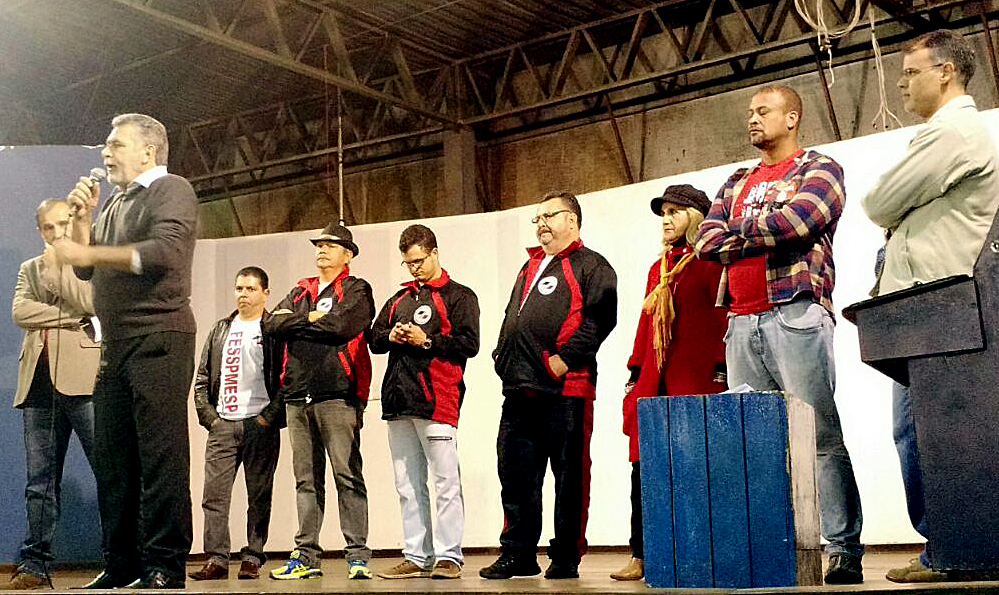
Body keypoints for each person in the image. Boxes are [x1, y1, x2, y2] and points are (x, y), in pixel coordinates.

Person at [694, 85, 864, 584]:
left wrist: (739, 233)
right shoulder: (736, 180)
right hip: (740, 321)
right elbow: (705, 240)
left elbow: (800, 221)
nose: (752, 119)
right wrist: (758, 231)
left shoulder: (820, 168)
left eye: (763, 111)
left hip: (796, 311)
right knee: (757, 444)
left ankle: (843, 548)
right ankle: (773, 550)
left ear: (791, 117)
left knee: (820, 437)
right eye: (750, 112)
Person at [861, 30, 999, 583]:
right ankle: (946, 545)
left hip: (940, 311)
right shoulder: (951, 133)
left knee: (931, 434)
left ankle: (951, 550)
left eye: (910, 72)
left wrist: (898, 209)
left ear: (945, 72)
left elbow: (879, 202)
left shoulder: (954, 131)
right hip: (931, 313)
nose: (901, 84)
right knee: (922, 432)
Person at [56, 113, 197, 589]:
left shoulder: (171, 189)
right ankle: (121, 563)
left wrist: (88, 252)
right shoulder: (116, 202)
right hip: (114, 345)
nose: (106, 152)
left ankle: (164, 564)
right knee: (114, 460)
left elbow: (165, 253)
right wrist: (83, 222)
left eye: (116, 144)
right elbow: (84, 271)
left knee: (160, 456)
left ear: (148, 151)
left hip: (159, 337)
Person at [480, 190, 617, 580]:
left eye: (548, 216)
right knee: (516, 476)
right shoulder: (529, 267)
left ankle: (565, 557)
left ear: (571, 220)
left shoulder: (592, 265)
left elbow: (601, 318)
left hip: (566, 390)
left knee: (570, 477)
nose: (540, 224)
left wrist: (564, 359)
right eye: (536, 218)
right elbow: (513, 317)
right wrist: (501, 356)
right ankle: (518, 554)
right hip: (519, 390)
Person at [611, 185, 727, 582]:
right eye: (664, 212)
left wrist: (720, 370)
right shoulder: (658, 269)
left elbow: (722, 321)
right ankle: (641, 554)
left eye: (675, 211)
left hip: (693, 379)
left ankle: (697, 552)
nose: (666, 219)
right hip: (654, 380)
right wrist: (634, 371)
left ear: (695, 217)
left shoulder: (710, 263)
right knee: (644, 467)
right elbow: (645, 326)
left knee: (694, 466)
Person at [262, 222, 375, 581]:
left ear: (348, 254)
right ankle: (306, 556)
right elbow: (271, 325)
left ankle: (357, 556)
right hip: (297, 396)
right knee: (306, 480)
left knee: (347, 476)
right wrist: (310, 317)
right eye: (319, 245)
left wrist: (296, 323)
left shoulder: (357, 289)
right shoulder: (301, 291)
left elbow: (342, 327)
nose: (322, 250)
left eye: (330, 245)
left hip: (338, 395)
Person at [370, 224, 480, 580]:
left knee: (445, 481)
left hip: (437, 400)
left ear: (434, 253)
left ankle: (449, 556)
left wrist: (427, 341)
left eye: (418, 260)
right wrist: (393, 334)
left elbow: (470, 344)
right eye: (408, 263)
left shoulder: (459, 296)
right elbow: (374, 338)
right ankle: (417, 555)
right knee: (407, 484)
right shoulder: (399, 299)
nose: (414, 268)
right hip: (398, 402)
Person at [3, 199, 101, 590]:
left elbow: (90, 302)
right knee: (39, 482)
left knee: (108, 472)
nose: (56, 232)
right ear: (40, 230)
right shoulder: (29, 267)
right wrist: (70, 317)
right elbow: (20, 312)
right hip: (37, 383)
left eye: (62, 224)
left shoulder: (88, 264)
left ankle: (122, 558)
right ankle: (35, 564)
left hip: (83, 379)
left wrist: (59, 269)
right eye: (48, 227)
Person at [189, 267, 284, 582]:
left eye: (251, 289)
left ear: (265, 293)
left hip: (259, 424)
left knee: (259, 495)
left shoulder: (272, 329)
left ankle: (253, 556)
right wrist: (211, 418)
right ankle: (216, 559)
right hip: (223, 424)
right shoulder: (221, 329)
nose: (243, 294)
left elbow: (287, 377)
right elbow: (202, 377)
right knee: (214, 496)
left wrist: (268, 417)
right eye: (239, 288)